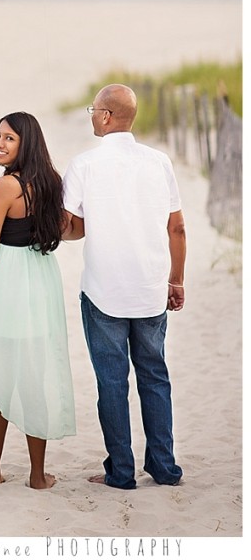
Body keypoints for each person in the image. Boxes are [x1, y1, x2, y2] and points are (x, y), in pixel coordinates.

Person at [62, 83, 186, 490]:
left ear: (105, 116)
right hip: (151, 289)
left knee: (112, 383)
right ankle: (165, 468)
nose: (92, 116)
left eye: (93, 110)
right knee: (155, 376)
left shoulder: (84, 164)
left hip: (103, 291)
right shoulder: (159, 161)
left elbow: (70, 227)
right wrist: (177, 279)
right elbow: (177, 226)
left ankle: (121, 472)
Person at [0, 112, 76, 489]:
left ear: (25, 143)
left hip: (7, 280)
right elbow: (70, 229)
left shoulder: (6, 187)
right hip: (40, 278)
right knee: (33, 375)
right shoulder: (52, 183)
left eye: (8, 138)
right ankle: (36, 475)